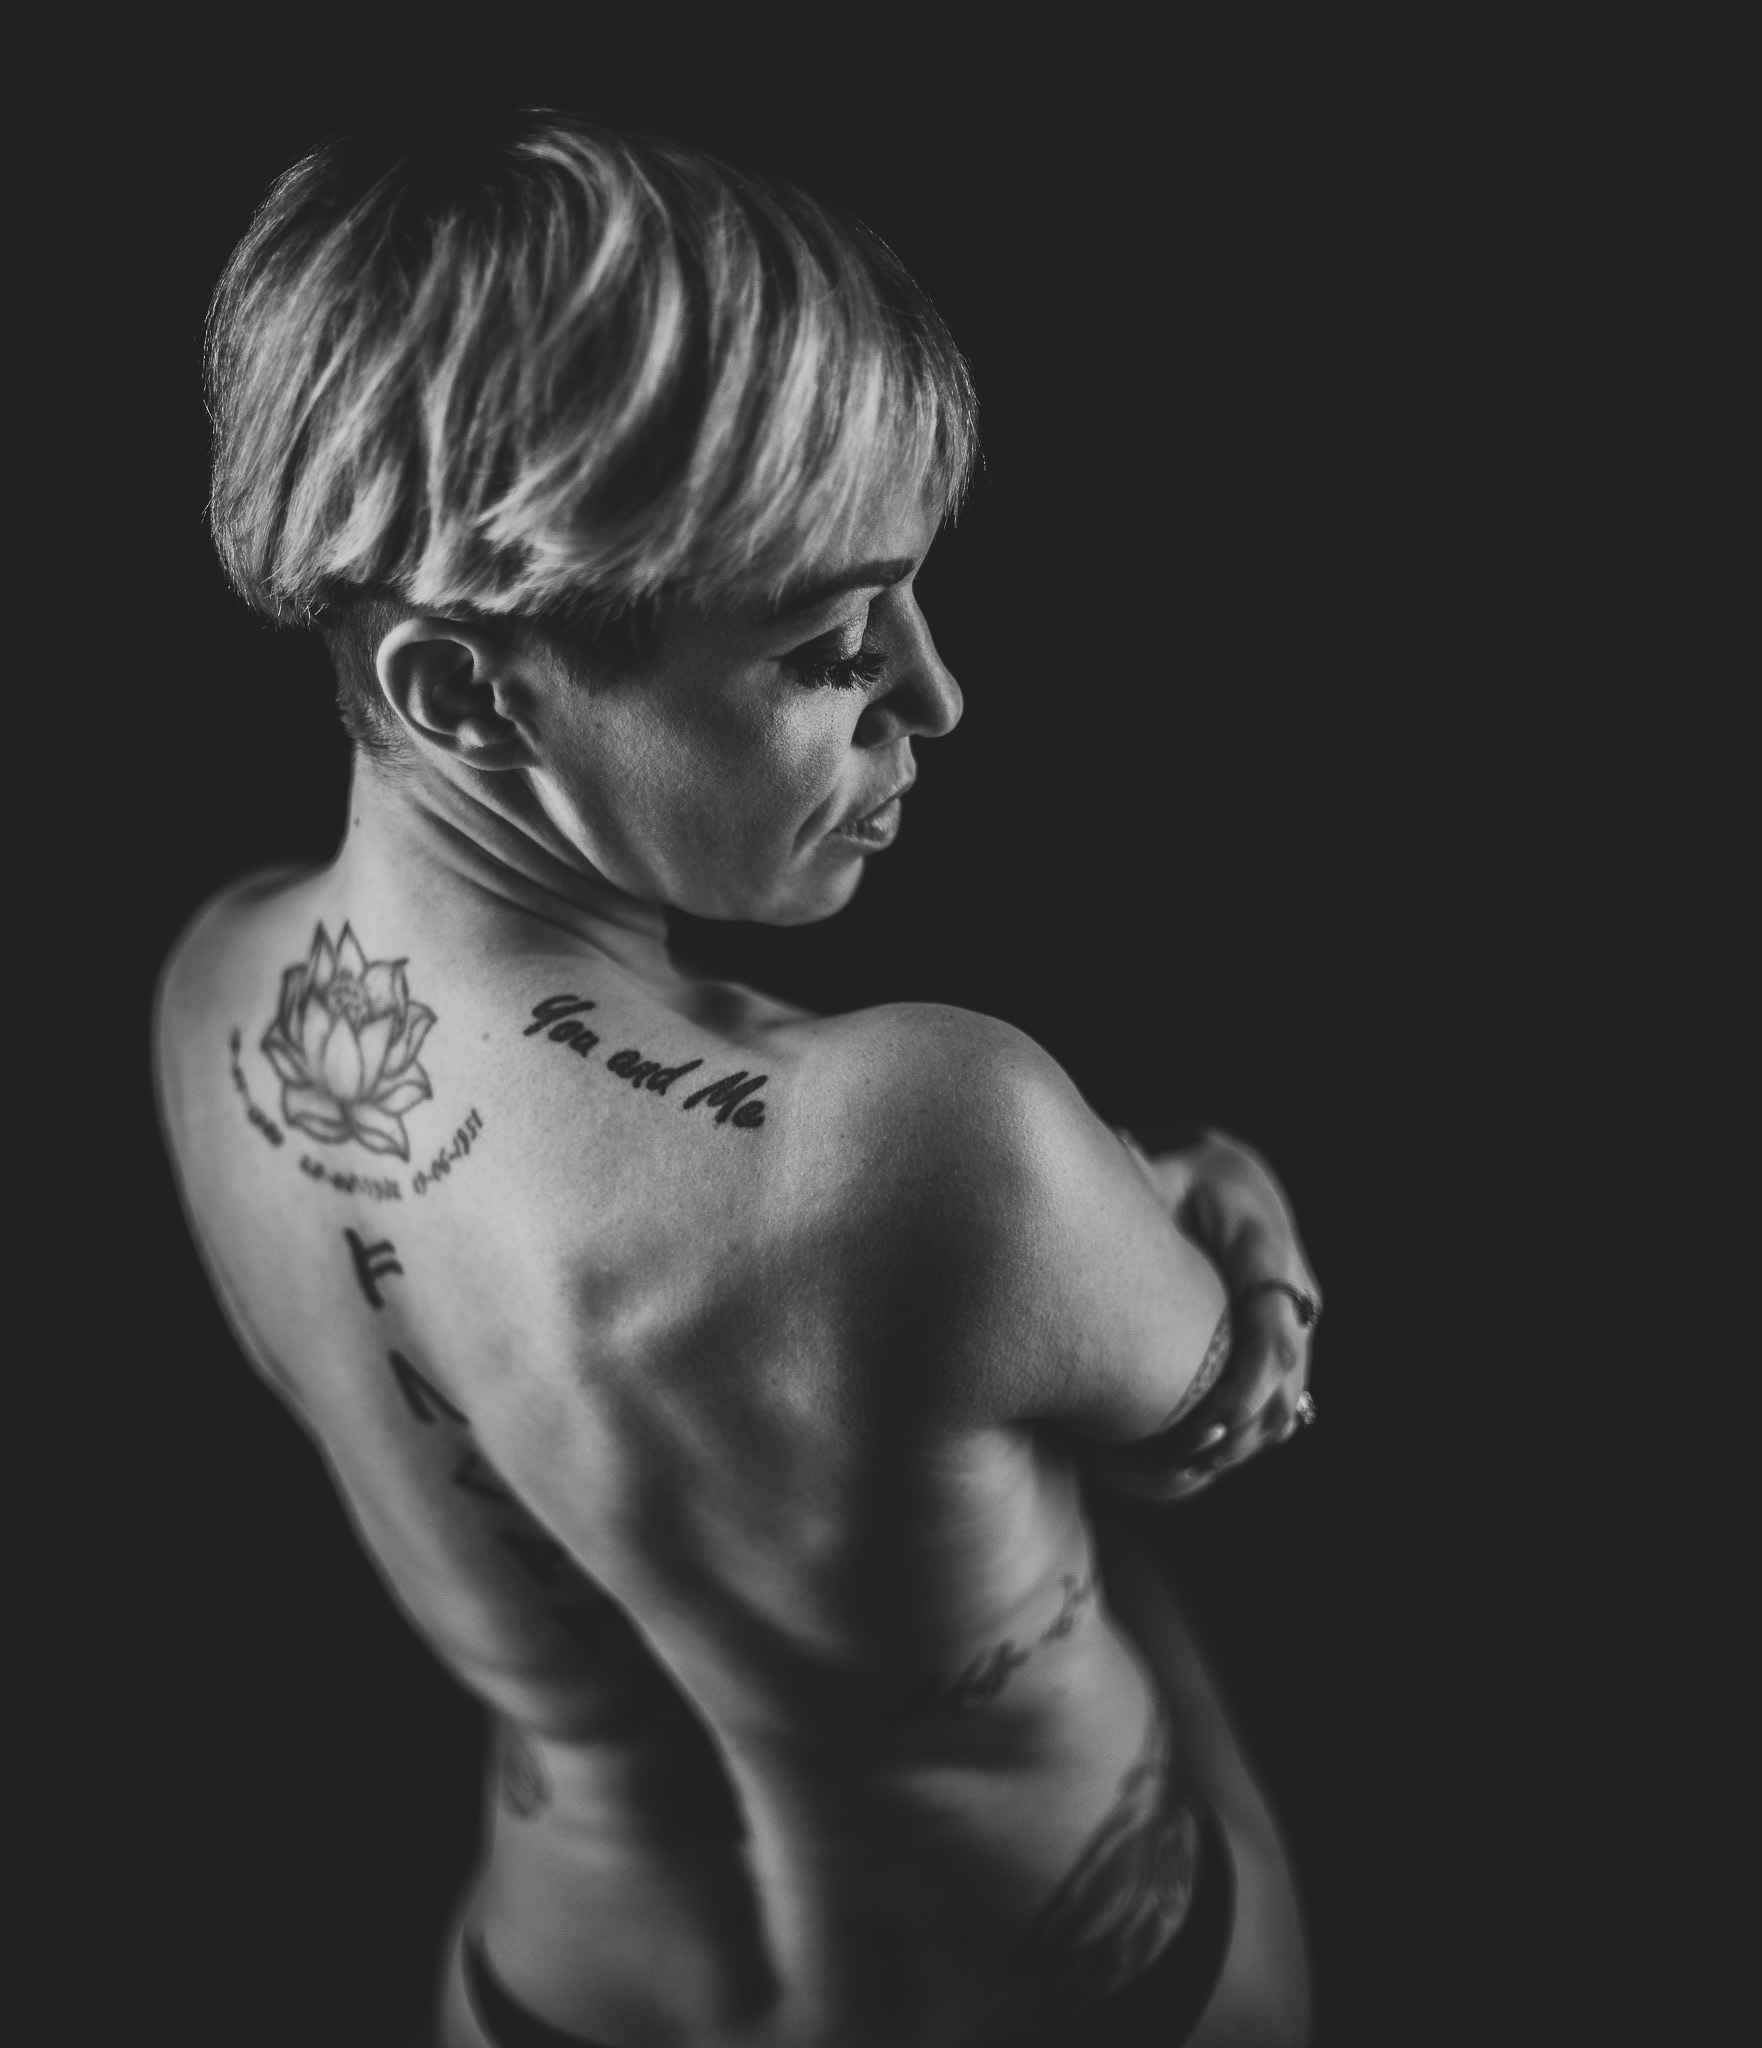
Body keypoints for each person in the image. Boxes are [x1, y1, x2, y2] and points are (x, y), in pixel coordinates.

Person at [154, 113, 1319, 2046]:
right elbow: (1214, 1407)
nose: (936, 694)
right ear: (466, 690)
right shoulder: (940, 1139)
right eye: (830, 642)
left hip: (537, 1998)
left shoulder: (215, 1001)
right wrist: (1221, 1198)